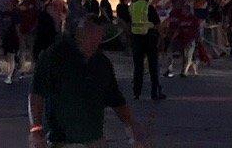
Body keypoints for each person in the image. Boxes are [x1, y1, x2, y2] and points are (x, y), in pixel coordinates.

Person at [30, 14, 148, 147]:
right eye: (91, 37)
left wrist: (132, 125)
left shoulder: (101, 63)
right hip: (61, 140)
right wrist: (36, 129)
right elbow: (36, 94)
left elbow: (115, 99)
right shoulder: (54, 57)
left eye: (99, 38)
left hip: (94, 139)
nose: (96, 43)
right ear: (79, 34)